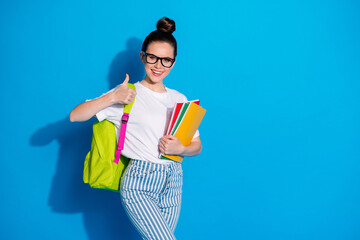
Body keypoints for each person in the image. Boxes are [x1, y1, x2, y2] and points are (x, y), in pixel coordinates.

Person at [69, 17, 202, 239]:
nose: (159, 65)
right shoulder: (127, 93)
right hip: (140, 181)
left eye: (166, 60)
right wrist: (112, 97)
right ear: (143, 57)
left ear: (174, 63)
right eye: (153, 57)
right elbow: (76, 116)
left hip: (174, 180)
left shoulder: (180, 99)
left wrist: (182, 148)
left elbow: (197, 145)